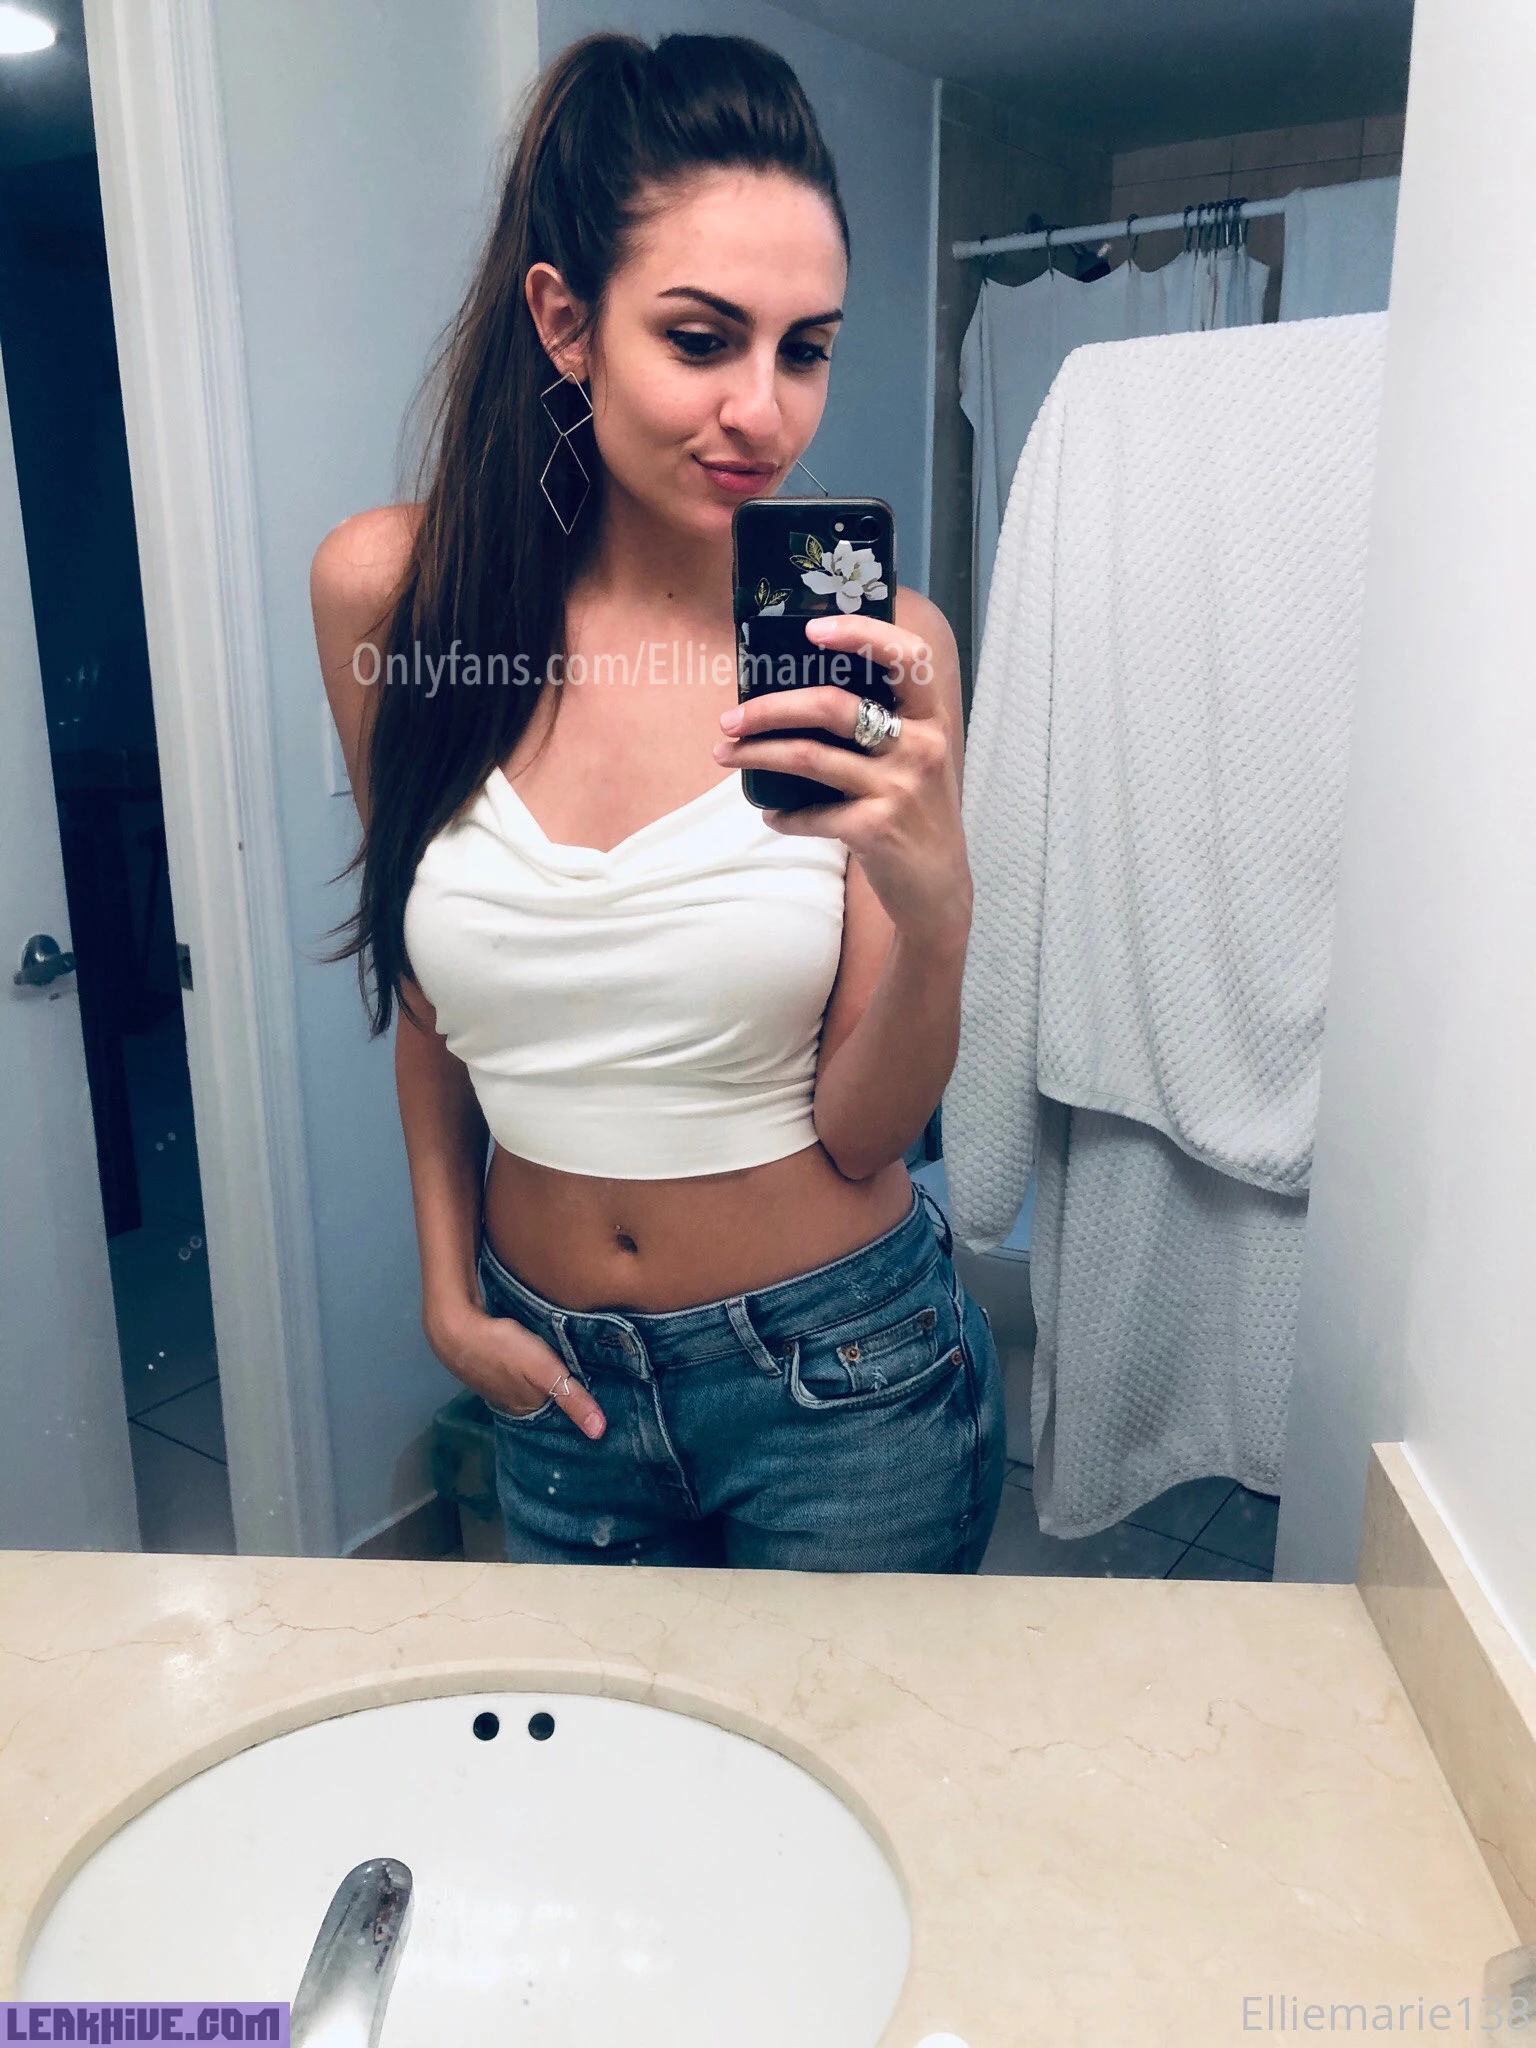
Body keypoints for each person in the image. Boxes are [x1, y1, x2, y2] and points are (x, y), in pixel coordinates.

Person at [311, 29, 1005, 1571]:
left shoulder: (875, 643)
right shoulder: (394, 601)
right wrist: (447, 1296)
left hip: (845, 1388)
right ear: (566, 321)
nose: (766, 410)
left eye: (805, 349)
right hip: (557, 1395)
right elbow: (429, 999)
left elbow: (868, 1130)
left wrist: (942, 918)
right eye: (702, 339)